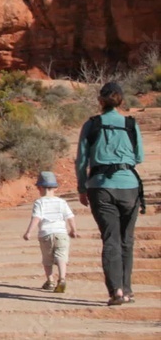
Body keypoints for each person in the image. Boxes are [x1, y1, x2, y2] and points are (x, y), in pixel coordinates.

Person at [76, 81, 145, 306]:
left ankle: (115, 291)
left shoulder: (91, 124)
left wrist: (82, 187)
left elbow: (82, 160)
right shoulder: (130, 124)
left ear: (100, 100)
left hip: (100, 187)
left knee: (111, 239)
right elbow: (139, 157)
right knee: (127, 239)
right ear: (121, 100)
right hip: (129, 186)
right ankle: (127, 290)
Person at [23, 171, 76, 293]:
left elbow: (37, 218)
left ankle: (50, 281)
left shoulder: (39, 202)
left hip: (46, 234)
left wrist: (29, 232)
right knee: (61, 256)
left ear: (39, 187)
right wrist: (73, 230)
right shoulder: (62, 202)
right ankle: (62, 278)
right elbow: (70, 217)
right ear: (56, 188)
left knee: (47, 259)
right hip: (61, 234)